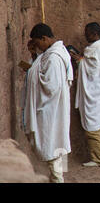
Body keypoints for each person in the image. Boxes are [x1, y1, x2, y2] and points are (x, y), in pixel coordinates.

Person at [22, 23, 73, 183]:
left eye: (37, 43)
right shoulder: (52, 54)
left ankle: (58, 179)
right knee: (58, 143)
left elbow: (51, 87)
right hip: (56, 110)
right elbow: (37, 71)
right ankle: (58, 177)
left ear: (44, 38)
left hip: (50, 110)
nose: (37, 47)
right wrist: (33, 55)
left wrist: (32, 69)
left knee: (52, 143)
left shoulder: (54, 58)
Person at [70, 22, 100, 167]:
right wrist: (82, 60)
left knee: (92, 125)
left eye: (87, 33)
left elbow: (94, 71)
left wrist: (80, 61)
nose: (85, 36)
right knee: (95, 126)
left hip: (95, 93)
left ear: (95, 34)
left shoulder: (96, 49)